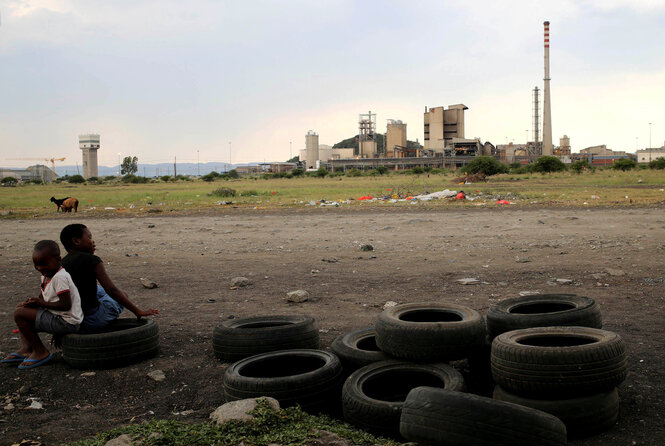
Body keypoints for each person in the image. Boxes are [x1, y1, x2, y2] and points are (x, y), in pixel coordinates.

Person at [59, 224, 159, 330]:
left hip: (71, 319)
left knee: (98, 289)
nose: (93, 241)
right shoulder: (92, 260)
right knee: (122, 295)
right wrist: (137, 311)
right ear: (76, 241)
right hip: (91, 320)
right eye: (89, 238)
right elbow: (111, 289)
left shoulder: (62, 263)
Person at [2, 240, 83, 369]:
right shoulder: (47, 275)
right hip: (57, 317)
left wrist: (40, 303)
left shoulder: (59, 277)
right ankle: (27, 348)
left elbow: (66, 305)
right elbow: (43, 297)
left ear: (58, 260)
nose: (40, 268)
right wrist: (33, 303)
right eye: (36, 265)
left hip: (67, 322)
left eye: (44, 264)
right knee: (22, 310)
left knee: (20, 314)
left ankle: (40, 351)